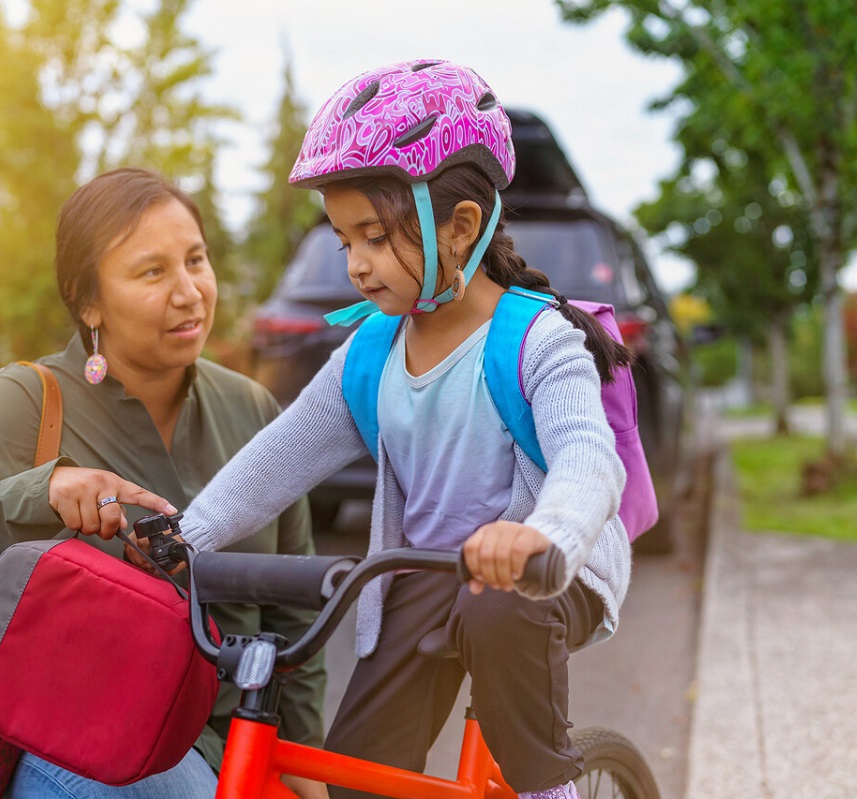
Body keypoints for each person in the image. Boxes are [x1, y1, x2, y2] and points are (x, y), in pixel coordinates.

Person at [172, 59, 634, 799]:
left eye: (375, 238)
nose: (355, 264)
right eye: (343, 239)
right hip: (428, 575)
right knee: (362, 773)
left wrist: (544, 536)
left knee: (502, 623)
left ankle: (553, 791)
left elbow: (589, 460)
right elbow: (283, 453)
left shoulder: (535, 340)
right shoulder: (372, 351)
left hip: (550, 569)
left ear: (460, 227)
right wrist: (188, 535)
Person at [0, 168, 327, 799]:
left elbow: (294, 627)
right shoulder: (26, 401)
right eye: (152, 272)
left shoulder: (252, 409)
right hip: (81, 745)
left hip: (235, 745)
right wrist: (34, 494)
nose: (190, 292)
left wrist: (302, 774)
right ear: (88, 301)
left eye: (196, 260)